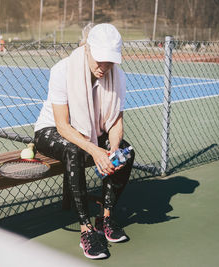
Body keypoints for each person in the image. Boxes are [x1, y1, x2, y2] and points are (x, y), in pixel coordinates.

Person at [34, 23, 135, 260]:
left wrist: (114, 150)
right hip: (52, 131)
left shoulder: (118, 77)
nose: (104, 67)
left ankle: (105, 218)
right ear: (88, 49)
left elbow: (115, 123)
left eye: (110, 61)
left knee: (126, 153)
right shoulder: (63, 70)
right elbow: (62, 125)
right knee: (73, 151)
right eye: (100, 59)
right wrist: (95, 150)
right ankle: (86, 230)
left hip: (91, 130)